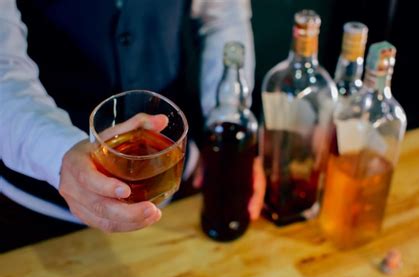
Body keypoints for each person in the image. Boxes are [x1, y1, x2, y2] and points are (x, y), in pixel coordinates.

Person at [0, 0, 264, 245]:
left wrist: (227, 129)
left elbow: (223, 20)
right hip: (37, 211)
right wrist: (58, 154)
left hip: (177, 184)